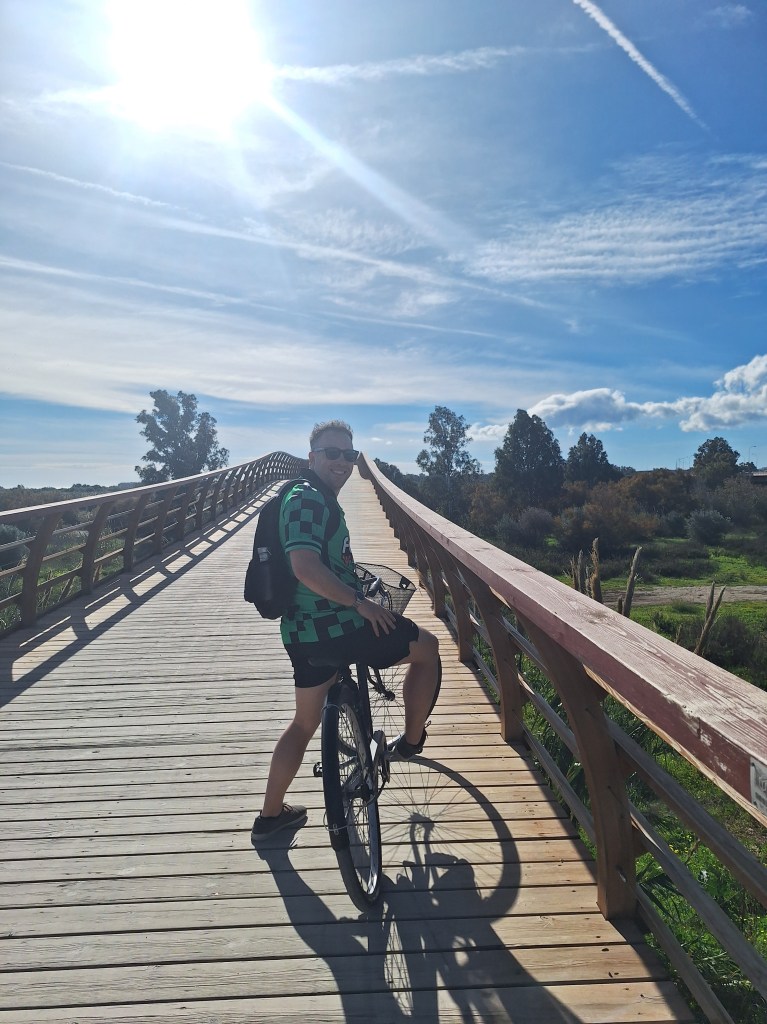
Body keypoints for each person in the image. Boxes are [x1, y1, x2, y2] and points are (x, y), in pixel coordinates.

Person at [252, 419, 440, 841]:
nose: (342, 461)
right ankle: (411, 741)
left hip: (301, 634)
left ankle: (269, 818)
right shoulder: (307, 499)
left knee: (304, 724)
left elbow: (320, 560)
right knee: (427, 648)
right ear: (312, 456)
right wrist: (360, 601)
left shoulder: (310, 495)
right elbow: (304, 566)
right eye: (332, 453)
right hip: (338, 625)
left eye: (349, 455)